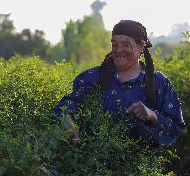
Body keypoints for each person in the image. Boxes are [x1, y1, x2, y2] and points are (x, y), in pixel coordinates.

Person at [53, 20, 185, 146]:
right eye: (115, 44)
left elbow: (176, 129)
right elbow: (62, 109)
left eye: (126, 44)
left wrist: (152, 115)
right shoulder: (93, 77)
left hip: (140, 168)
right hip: (94, 165)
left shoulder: (158, 83)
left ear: (142, 47)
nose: (118, 50)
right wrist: (69, 125)